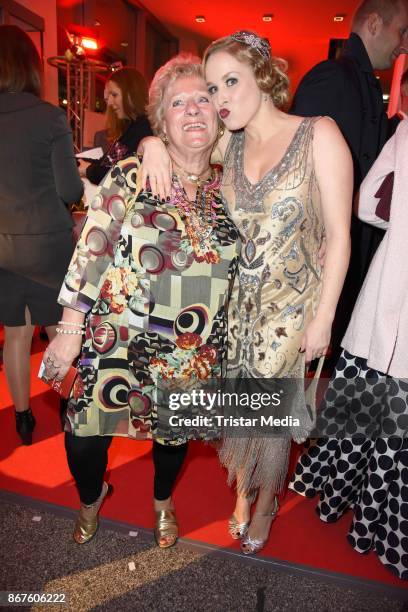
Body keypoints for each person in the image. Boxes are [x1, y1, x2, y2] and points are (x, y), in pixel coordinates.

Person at [140, 31, 353, 554]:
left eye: (230, 81)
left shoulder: (318, 134)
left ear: (263, 74)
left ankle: (264, 502)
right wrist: (147, 144)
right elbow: (178, 140)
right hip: (233, 307)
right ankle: (244, 486)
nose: (218, 100)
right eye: (212, 88)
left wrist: (324, 317)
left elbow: (342, 235)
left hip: (292, 307)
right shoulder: (227, 142)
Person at [44, 54, 240, 549]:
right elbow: (92, 251)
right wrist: (69, 332)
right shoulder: (132, 173)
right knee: (84, 436)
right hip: (118, 334)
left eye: (204, 98)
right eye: (179, 103)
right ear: (162, 120)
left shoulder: (235, 185)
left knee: (171, 439)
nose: (193, 110)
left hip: (190, 346)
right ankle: (92, 497)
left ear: (220, 111)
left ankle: (161, 502)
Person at [290, 119, 408, 581]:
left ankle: (347, 497)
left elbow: (371, 205)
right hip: (390, 288)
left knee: (371, 394)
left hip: (392, 286)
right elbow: (368, 206)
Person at [291, 0, 408, 353]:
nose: (404, 43)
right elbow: (297, 166)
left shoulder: (364, 86)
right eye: (401, 31)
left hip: (349, 258)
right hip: (323, 260)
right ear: (374, 24)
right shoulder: (333, 76)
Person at [0, 25, 83, 445]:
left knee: (15, 332)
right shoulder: (49, 116)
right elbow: (70, 189)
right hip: (48, 243)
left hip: (3, 245)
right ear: (31, 67)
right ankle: (69, 407)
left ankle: (23, 420)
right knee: (57, 329)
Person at [78, 67, 152, 185]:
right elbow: (107, 163)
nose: (110, 103)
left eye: (114, 95)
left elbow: (115, 175)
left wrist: (87, 170)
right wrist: (80, 162)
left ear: (131, 94)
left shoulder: (143, 129)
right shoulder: (133, 127)